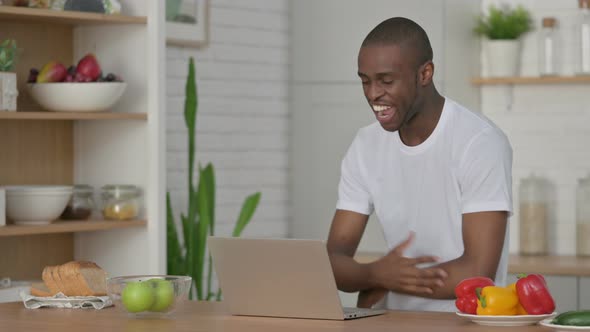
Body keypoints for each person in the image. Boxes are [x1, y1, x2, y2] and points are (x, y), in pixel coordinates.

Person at [326, 17, 512, 312]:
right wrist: (375, 274)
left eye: (386, 81)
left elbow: (477, 271)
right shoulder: (365, 145)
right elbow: (333, 261)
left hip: (467, 320)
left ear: (425, 73)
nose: (373, 94)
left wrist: (381, 279)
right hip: (392, 320)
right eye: (365, 80)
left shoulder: (478, 141)